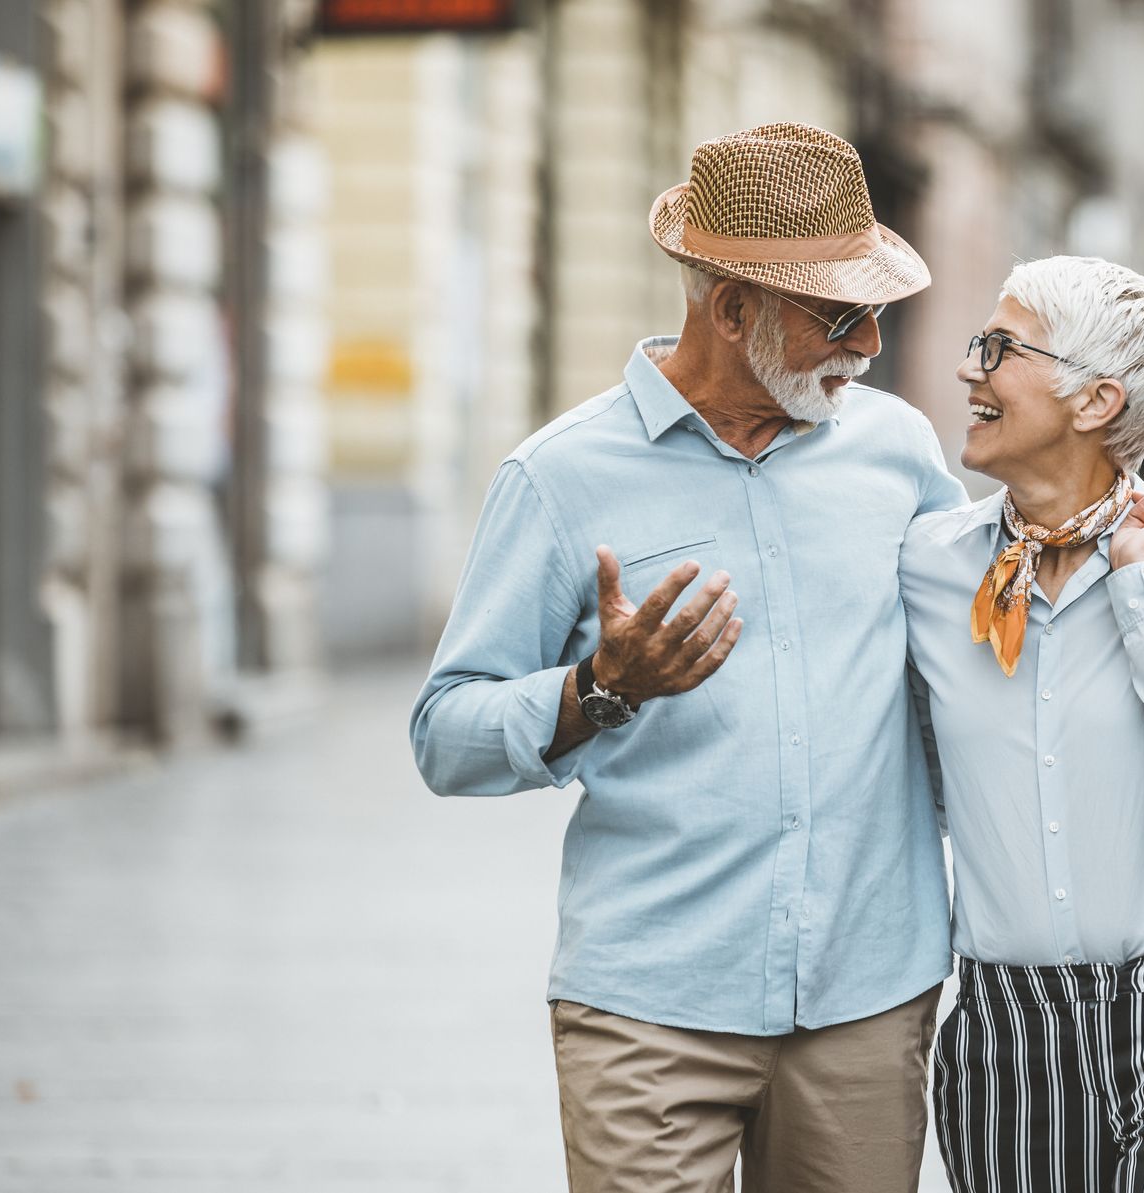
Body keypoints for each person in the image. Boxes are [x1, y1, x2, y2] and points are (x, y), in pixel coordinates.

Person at [408, 123, 968, 1192]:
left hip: (867, 990)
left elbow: (988, 633)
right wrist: (599, 687)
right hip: (649, 1004)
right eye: (840, 316)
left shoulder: (897, 451)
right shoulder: (560, 477)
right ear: (730, 309)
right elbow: (444, 734)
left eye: (876, 314)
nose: (871, 346)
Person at [900, 256, 1144, 1192]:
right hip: (1009, 1026)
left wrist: (1136, 582)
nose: (971, 370)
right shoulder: (925, 568)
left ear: (1094, 401)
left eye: (998, 349)